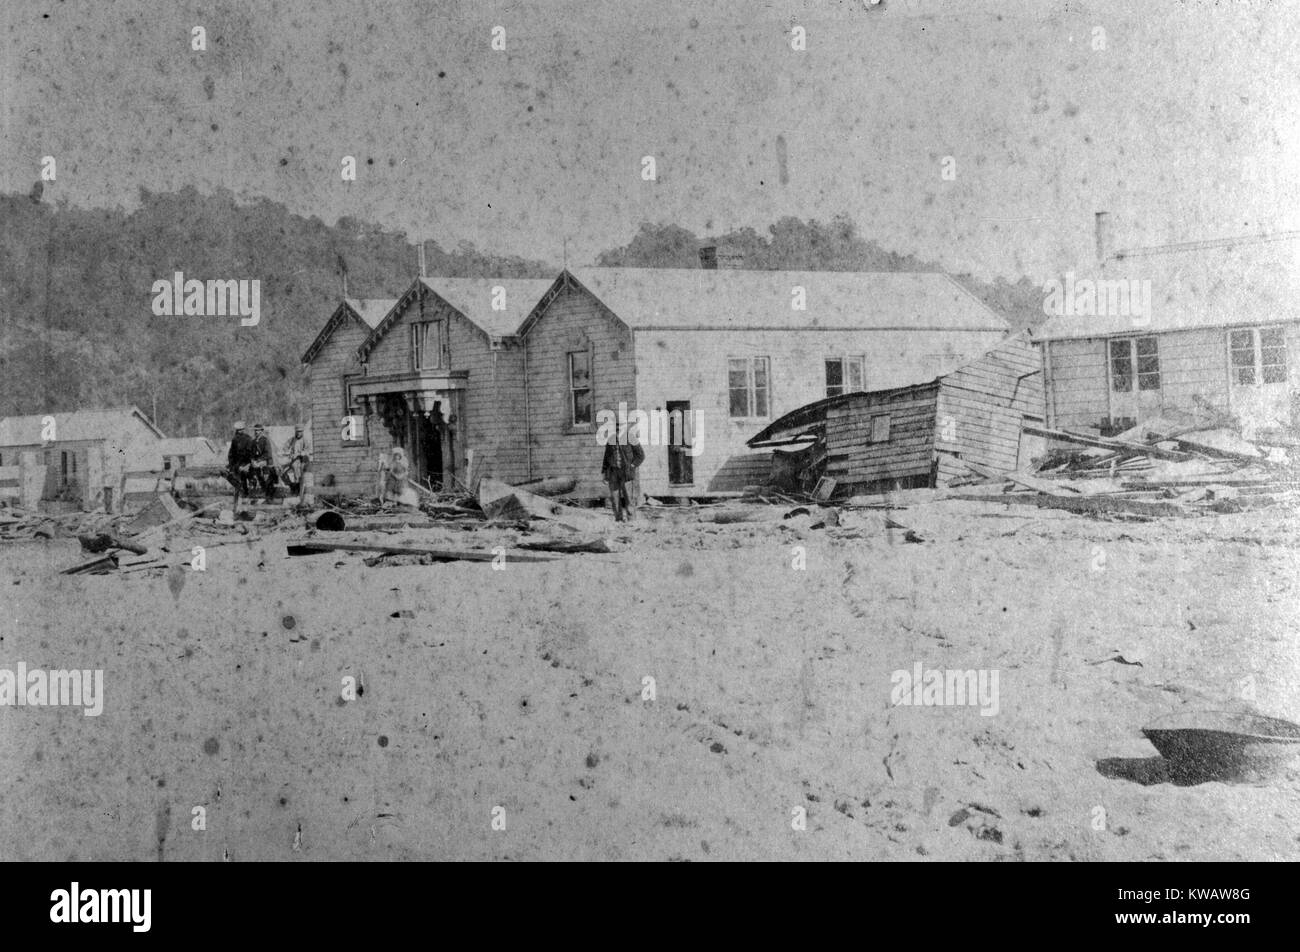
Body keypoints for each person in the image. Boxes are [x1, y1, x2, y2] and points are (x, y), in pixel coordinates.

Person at [601, 423, 645, 522]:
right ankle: (619, 520)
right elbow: (606, 458)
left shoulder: (630, 437)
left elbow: (641, 455)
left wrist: (632, 465)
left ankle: (631, 520)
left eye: (620, 425)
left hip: (626, 472)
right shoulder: (611, 439)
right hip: (613, 472)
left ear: (625, 426)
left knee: (628, 497)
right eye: (616, 426)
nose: (618, 428)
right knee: (615, 498)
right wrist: (604, 473)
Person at [225, 420, 254, 506]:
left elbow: (250, 453)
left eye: (241, 430)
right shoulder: (234, 439)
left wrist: (246, 465)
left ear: (244, 429)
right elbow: (231, 454)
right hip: (237, 465)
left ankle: (247, 497)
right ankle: (238, 502)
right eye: (238, 430)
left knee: (245, 481)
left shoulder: (248, 439)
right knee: (236, 483)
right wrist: (232, 465)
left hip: (246, 464)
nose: (239, 432)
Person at [281, 424, 312, 497]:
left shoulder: (305, 440)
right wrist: (288, 452)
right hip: (292, 460)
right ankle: (292, 486)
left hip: (302, 461)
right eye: (297, 431)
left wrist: (298, 454)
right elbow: (285, 447)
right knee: (282, 472)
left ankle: (298, 491)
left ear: (302, 432)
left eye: (300, 431)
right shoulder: (292, 439)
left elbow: (307, 451)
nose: (298, 433)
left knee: (297, 475)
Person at [250, 423, 278, 499]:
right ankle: (261, 490)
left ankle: (269, 493)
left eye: (258, 431)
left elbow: (268, 454)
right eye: (255, 431)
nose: (256, 432)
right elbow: (252, 453)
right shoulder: (253, 441)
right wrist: (252, 460)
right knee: (252, 469)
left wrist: (258, 460)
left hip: (267, 461)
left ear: (261, 431)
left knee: (266, 477)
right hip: (258, 462)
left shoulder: (265, 440)